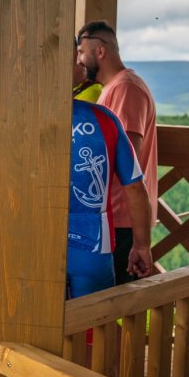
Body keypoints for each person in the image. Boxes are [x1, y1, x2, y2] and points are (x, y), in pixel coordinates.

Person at [76, 21, 158, 285]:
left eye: (81, 52)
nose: (78, 61)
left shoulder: (125, 88)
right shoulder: (115, 88)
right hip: (113, 215)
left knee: (112, 298)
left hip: (122, 216)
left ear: (100, 51)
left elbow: (125, 158)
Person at [67, 99, 154, 299]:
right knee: (95, 315)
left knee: (38, 315)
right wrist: (141, 245)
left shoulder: (19, 118)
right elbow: (135, 187)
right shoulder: (103, 118)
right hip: (94, 241)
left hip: (35, 237)